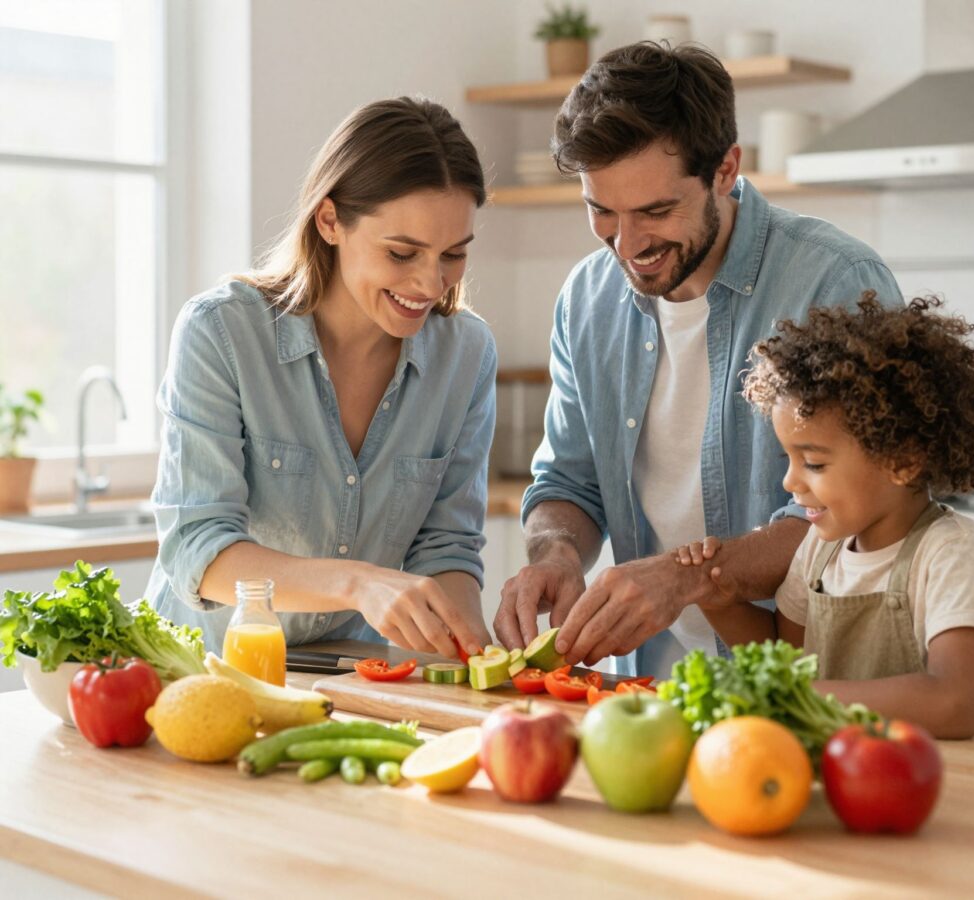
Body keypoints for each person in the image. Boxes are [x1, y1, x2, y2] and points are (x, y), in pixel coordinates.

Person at [493, 42, 903, 678]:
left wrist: (686, 578)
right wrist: (557, 554)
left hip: (812, 685)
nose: (627, 245)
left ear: (725, 169)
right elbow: (570, 482)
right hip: (653, 683)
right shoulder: (587, 298)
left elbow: (860, 513)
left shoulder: (834, 282)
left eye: (656, 211)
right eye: (601, 211)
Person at [148, 97, 496, 659]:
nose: (431, 284)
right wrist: (358, 584)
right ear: (330, 221)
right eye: (402, 253)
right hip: (200, 672)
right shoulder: (221, 332)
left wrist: (469, 653)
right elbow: (200, 550)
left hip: (348, 678)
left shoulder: (466, 354)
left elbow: (446, 548)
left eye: (453, 254)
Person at [676, 293, 974, 738]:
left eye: (813, 463)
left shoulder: (951, 553)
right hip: (847, 768)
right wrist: (721, 603)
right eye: (788, 459)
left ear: (902, 461)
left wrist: (799, 698)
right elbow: (790, 662)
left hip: (942, 773)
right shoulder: (820, 549)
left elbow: (956, 703)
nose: (789, 482)